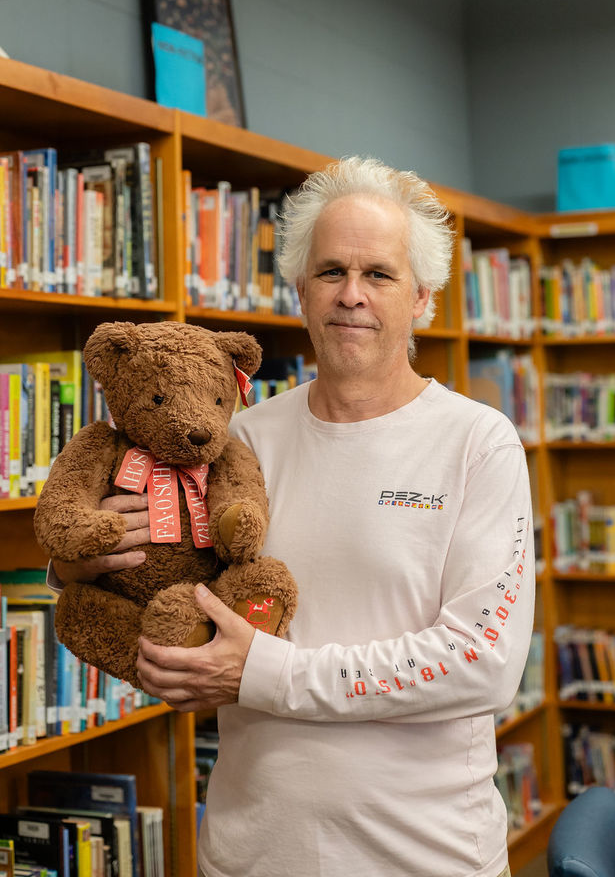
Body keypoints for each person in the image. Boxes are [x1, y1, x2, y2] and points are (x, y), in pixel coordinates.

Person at [53, 156, 535, 877]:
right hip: (250, 853)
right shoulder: (237, 440)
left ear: (422, 297)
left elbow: (481, 664)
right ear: (300, 291)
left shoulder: (477, 443)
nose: (351, 294)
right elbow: (164, 582)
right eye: (330, 271)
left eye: (378, 274)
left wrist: (264, 673)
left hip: (425, 857)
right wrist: (82, 562)